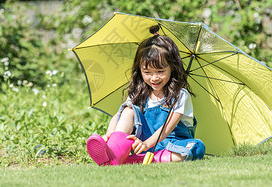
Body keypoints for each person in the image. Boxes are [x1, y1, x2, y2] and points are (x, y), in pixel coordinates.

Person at [86, 25, 205, 166]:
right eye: (147, 72)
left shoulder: (179, 95)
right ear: (140, 70)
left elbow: (167, 127)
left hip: (170, 143)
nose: (154, 78)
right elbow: (119, 116)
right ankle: (113, 151)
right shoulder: (140, 93)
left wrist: (147, 144)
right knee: (129, 109)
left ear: (172, 67)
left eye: (160, 71)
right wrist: (109, 135)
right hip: (142, 144)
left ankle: (129, 160)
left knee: (196, 147)